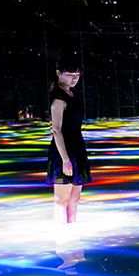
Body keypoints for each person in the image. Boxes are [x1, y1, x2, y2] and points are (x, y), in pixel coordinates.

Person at [46, 52, 89, 226]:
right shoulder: (58, 98)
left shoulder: (72, 94)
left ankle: (72, 233)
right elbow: (56, 129)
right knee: (61, 200)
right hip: (63, 150)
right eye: (69, 75)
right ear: (59, 73)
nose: (74, 79)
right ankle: (62, 239)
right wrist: (65, 159)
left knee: (75, 198)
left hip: (77, 147)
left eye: (77, 75)